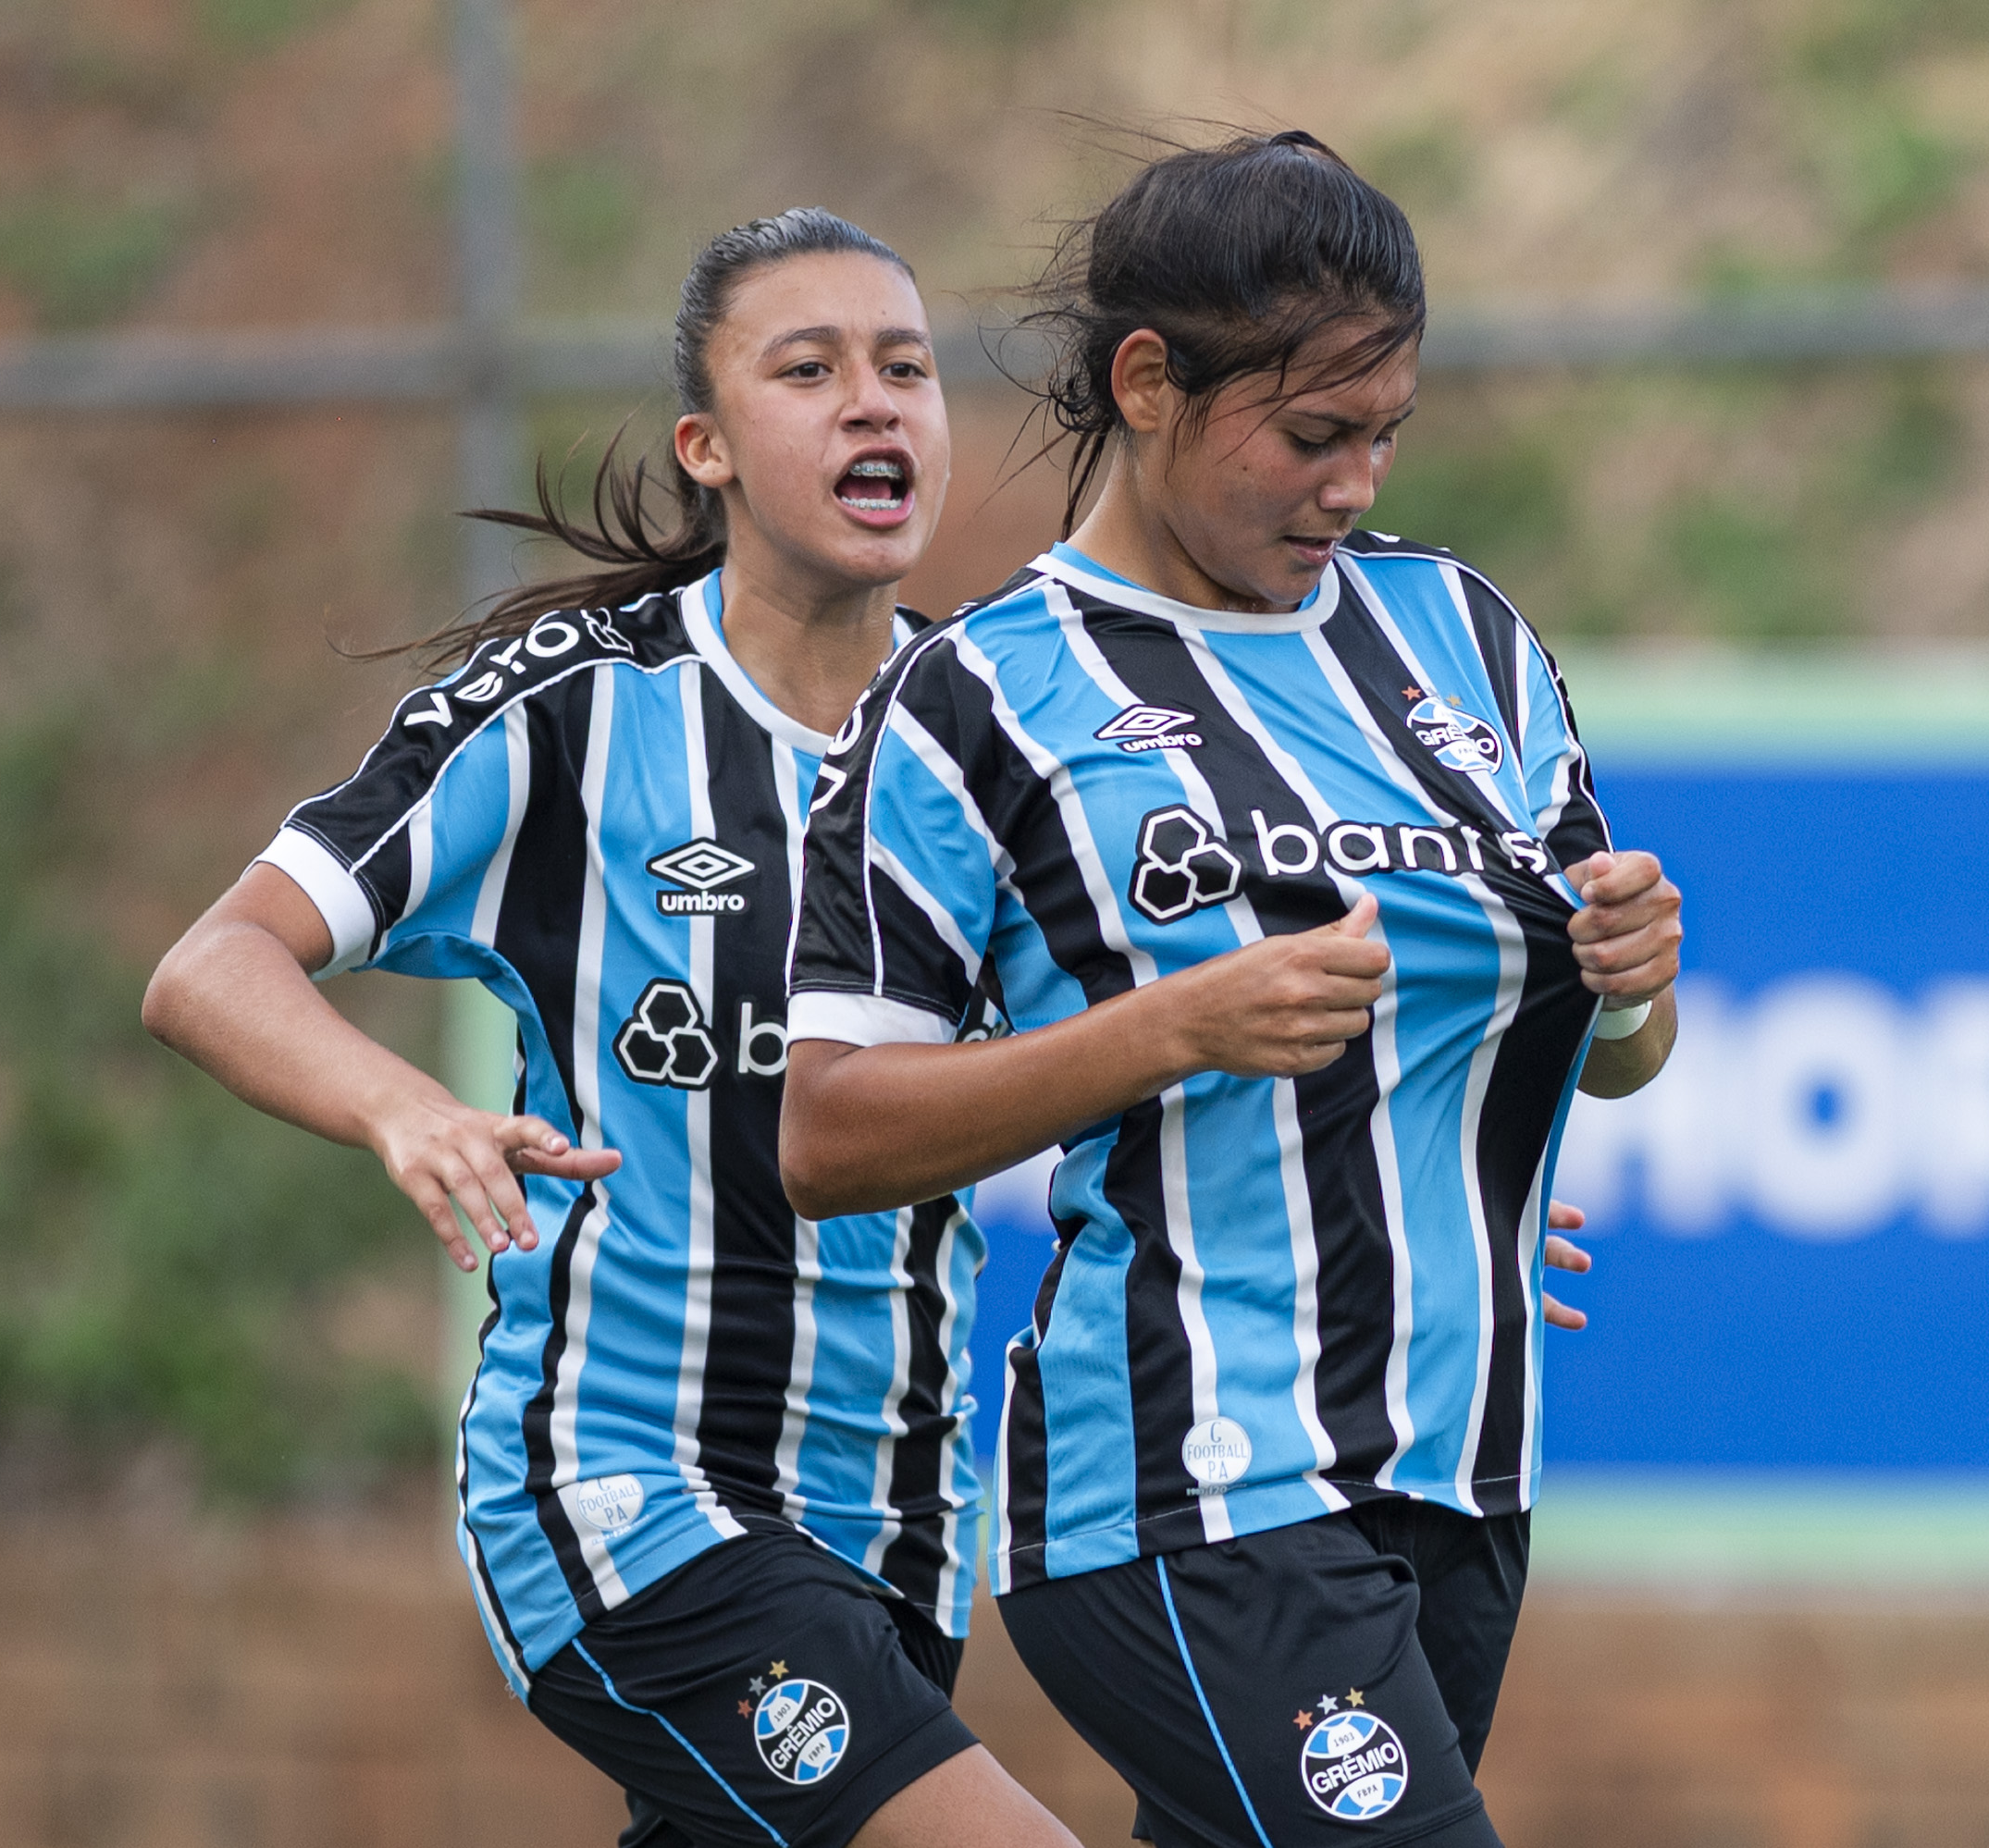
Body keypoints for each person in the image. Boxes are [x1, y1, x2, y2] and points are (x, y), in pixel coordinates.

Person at [780, 133, 1681, 1848]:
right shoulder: (981, 697)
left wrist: (1639, 986)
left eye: (1386, 433)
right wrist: (1167, 1029)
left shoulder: (1463, 638)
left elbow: (1607, 1058)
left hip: (1458, 1472)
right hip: (1189, 1485)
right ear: (1150, 383)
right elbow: (824, 1132)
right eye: (1312, 434)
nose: (1354, 483)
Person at [143, 209, 1076, 1848]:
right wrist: (402, 1110)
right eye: (812, 370)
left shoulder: (990, 730)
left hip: (898, 1532)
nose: (876, 405)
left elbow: (1145, 1045)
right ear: (705, 448)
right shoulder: (573, 709)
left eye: (907, 369)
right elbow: (213, 967)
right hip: (626, 1496)